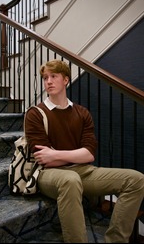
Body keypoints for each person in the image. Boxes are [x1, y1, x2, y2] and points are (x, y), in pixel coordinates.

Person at [25, 59, 144, 243]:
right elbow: (44, 159)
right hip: (48, 174)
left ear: (65, 80)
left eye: (53, 76)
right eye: (45, 77)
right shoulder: (35, 113)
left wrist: (56, 154)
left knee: (136, 180)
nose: (48, 81)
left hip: (83, 171)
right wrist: (74, 155)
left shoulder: (82, 113)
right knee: (70, 179)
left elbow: (89, 154)